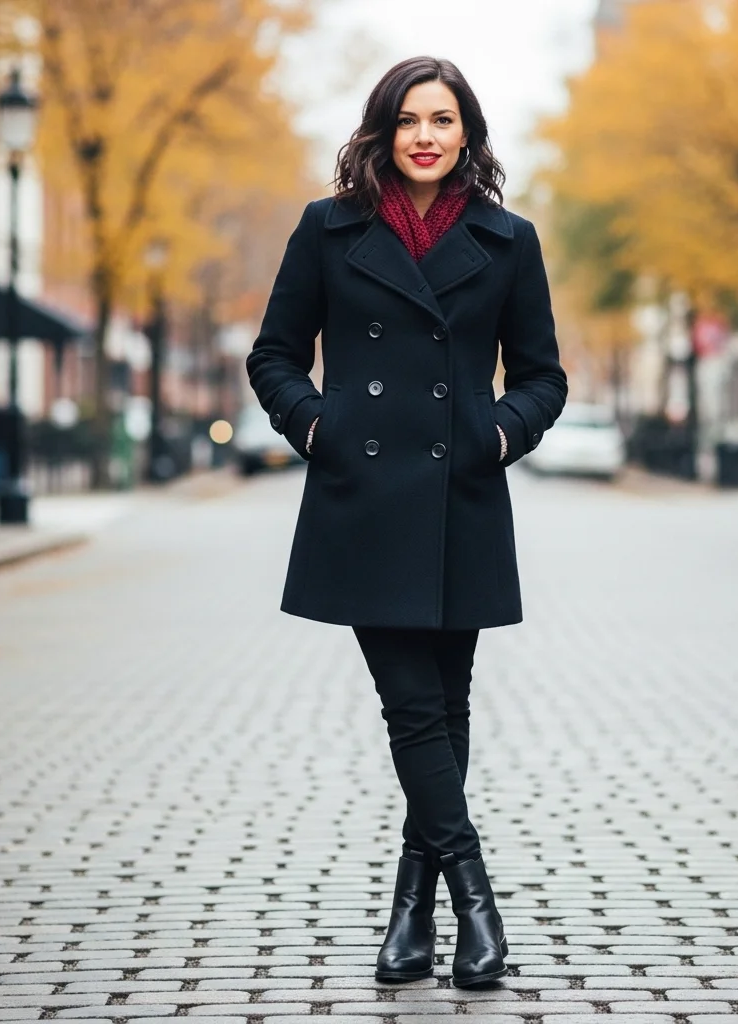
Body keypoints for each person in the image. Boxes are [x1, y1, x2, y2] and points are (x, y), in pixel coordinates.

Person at [246, 56, 567, 988]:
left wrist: (497, 437)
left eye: (443, 117)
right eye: (408, 119)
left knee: (445, 708)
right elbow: (274, 354)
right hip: (363, 501)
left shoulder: (509, 240)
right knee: (414, 709)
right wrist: (318, 425)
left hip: (460, 497)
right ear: (382, 132)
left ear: (467, 133)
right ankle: (476, 899)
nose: (425, 134)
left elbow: (543, 376)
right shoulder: (327, 229)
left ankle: (410, 919)